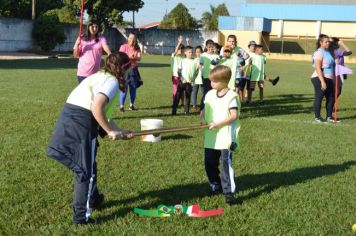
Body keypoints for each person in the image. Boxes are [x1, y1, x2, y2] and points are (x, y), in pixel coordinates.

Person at [46, 52, 133, 225]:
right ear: (124, 68)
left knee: (90, 164)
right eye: (130, 68)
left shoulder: (100, 75)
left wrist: (120, 131)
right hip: (81, 121)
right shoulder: (112, 81)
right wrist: (109, 132)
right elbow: (96, 107)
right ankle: (81, 218)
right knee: (85, 172)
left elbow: (105, 116)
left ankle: (94, 198)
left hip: (72, 117)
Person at [200, 65, 241, 205]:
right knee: (209, 163)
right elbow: (204, 111)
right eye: (211, 80)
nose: (211, 83)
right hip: (211, 136)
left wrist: (218, 124)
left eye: (215, 81)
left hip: (225, 137)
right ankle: (215, 185)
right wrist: (202, 119)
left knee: (225, 165)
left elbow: (234, 115)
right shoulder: (210, 94)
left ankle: (229, 193)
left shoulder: (231, 96)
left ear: (225, 81)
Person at [311, 34, 336, 123]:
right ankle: (317, 117)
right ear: (321, 43)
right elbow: (317, 67)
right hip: (319, 77)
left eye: (328, 41)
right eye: (326, 41)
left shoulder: (327, 52)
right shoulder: (319, 52)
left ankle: (329, 117)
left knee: (331, 97)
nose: (328, 43)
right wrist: (322, 81)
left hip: (329, 78)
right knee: (319, 96)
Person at [172, 46, 199, 115]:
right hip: (182, 82)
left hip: (189, 83)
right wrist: (182, 79)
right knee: (177, 96)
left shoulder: (195, 61)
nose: (191, 53)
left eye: (191, 52)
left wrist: (192, 80)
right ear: (185, 53)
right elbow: (179, 71)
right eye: (189, 52)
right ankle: (174, 111)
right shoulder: (182, 60)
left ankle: (187, 111)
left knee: (188, 97)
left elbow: (196, 72)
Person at [119, 32, 143, 112]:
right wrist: (129, 57)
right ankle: (121, 106)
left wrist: (135, 57)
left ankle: (131, 105)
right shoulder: (123, 47)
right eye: (131, 38)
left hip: (134, 70)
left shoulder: (137, 48)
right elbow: (120, 57)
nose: (132, 40)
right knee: (124, 89)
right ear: (128, 38)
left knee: (133, 89)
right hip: (125, 70)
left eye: (134, 38)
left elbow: (139, 58)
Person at [199, 39, 220, 110]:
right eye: (209, 46)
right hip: (206, 77)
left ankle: (211, 108)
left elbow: (218, 66)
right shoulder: (203, 55)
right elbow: (200, 65)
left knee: (214, 93)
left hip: (215, 77)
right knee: (206, 93)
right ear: (206, 47)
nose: (211, 48)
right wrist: (202, 72)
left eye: (212, 46)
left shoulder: (217, 56)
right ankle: (202, 108)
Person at [171, 36, 185, 106]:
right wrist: (179, 42)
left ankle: (182, 102)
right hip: (175, 75)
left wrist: (188, 42)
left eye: (182, 50)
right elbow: (176, 50)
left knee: (182, 90)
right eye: (180, 49)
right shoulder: (174, 56)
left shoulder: (183, 57)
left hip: (182, 76)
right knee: (175, 89)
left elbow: (188, 51)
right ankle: (174, 102)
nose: (180, 51)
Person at [192, 46, 203, 110]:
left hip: (202, 77)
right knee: (194, 91)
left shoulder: (204, 59)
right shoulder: (194, 60)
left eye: (199, 52)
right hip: (196, 78)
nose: (198, 53)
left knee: (203, 92)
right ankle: (194, 105)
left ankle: (202, 104)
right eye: (197, 52)